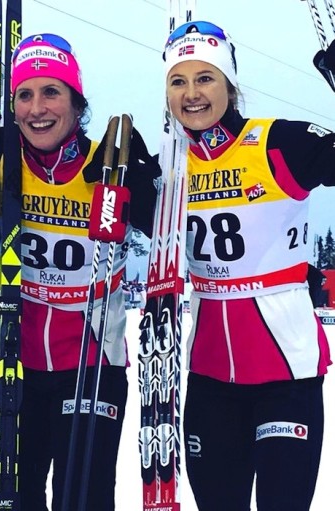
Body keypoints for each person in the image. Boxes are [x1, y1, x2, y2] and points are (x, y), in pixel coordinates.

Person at [0, 33, 158, 510]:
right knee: (13, 497)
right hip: (10, 363)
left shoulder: (108, 165)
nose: (36, 108)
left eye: (51, 91)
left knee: (82, 498)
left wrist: (146, 182)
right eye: (24, 94)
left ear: (76, 101)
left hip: (91, 365)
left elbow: (173, 232)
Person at [162, 21, 333, 510]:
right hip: (210, 375)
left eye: (205, 78)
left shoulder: (277, 142)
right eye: (179, 81)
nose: (192, 94)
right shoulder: (171, 166)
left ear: (230, 85)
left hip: (285, 374)